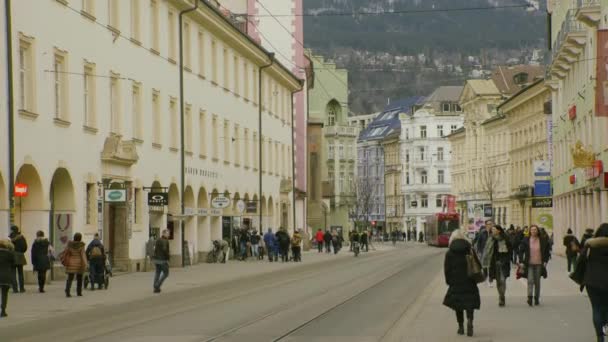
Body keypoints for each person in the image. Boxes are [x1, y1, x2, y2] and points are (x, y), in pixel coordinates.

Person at [443, 230, 480, 337]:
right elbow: (478, 264)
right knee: (470, 302)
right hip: (469, 280)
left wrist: (448, 281)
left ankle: (460, 327)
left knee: (458, 304)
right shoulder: (470, 249)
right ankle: (470, 320)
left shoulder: (449, 252)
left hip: (456, 281)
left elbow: (447, 269)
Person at [580, 223, 608, 342]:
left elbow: (581, 260)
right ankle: (605, 323)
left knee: (596, 308)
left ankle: (600, 336)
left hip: (592, 281)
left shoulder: (590, 245)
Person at [520, 225, 550, 306]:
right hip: (529, 263)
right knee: (530, 280)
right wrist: (521, 261)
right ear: (530, 231)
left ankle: (536, 298)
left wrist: (545, 261)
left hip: (539, 263)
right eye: (532, 230)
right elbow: (521, 251)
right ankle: (529, 297)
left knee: (537, 282)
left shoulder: (543, 240)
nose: (533, 231)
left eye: (535, 230)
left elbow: (547, 252)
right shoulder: (526, 240)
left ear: (537, 231)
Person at [482, 225, 512, 307]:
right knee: (498, 281)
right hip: (494, 263)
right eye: (492, 230)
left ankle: (502, 296)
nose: (492, 231)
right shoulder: (491, 239)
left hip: (504, 262)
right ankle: (501, 296)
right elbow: (487, 251)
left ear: (499, 230)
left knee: (503, 280)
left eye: (494, 230)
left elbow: (510, 250)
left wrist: (507, 259)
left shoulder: (505, 238)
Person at [63, 233, 87, 297]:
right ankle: (79, 292)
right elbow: (83, 255)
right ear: (80, 238)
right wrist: (85, 263)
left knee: (70, 278)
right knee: (79, 278)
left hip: (71, 262)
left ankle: (67, 291)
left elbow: (66, 252)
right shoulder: (81, 245)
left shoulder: (69, 244)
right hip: (79, 263)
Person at [9, 225, 27, 293]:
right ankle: (22, 288)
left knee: (13, 273)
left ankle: (15, 289)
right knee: (20, 273)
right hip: (20, 255)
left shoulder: (10, 238)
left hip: (12, 256)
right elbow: (25, 247)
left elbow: (8, 247)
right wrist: (21, 252)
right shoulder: (22, 238)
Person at [0, 239, 15, 317]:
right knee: (4, 294)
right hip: (6, 276)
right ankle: (3, 311)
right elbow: (13, 264)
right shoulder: (10, 254)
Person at [476, 221, 493, 287]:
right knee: (485, 267)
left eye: (491, 224)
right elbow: (479, 243)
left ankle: (490, 280)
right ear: (486, 225)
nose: (490, 225)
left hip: (491, 252)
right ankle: (486, 278)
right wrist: (479, 251)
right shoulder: (482, 233)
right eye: (489, 224)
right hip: (484, 252)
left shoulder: (493, 233)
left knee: (491, 267)